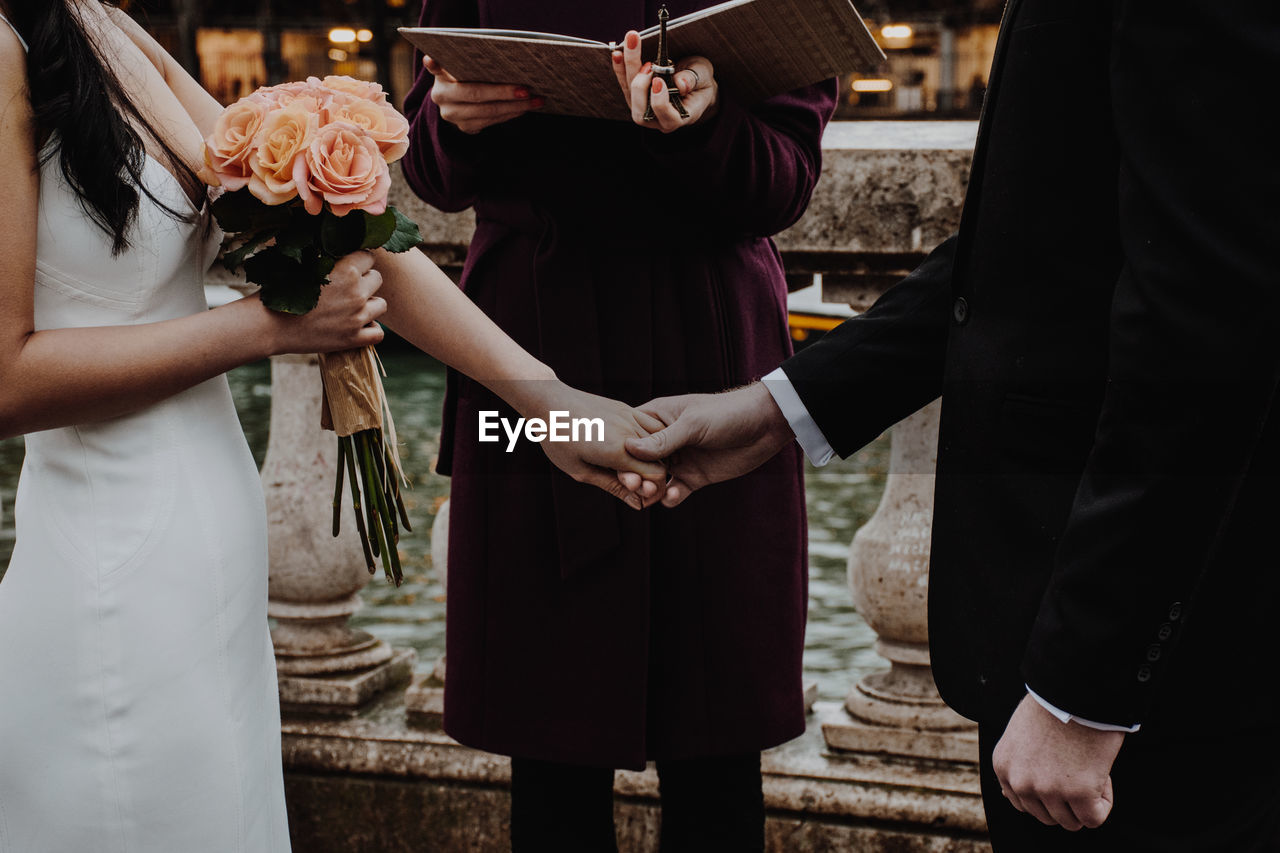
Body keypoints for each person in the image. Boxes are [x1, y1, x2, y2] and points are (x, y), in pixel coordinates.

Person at [0, 3, 663, 851]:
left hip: (213, 572)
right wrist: (269, 328)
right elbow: (8, 375)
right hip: (105, 579)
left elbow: (349, 236)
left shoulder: (98, 27)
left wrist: (554, 406)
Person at [624, 0, 1280, 849]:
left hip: (1154, 675)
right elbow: (1024, 257)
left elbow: (1208, 324)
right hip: (1070, 639)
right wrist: (778, 408)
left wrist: (1086, 690)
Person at [401, 1, 835, 848]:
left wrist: (704, 127)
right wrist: (458, 121)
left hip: (715, 358)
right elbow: (429, 168)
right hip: (524, 359)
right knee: (547, 756)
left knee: (719, 756)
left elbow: (787, 182)